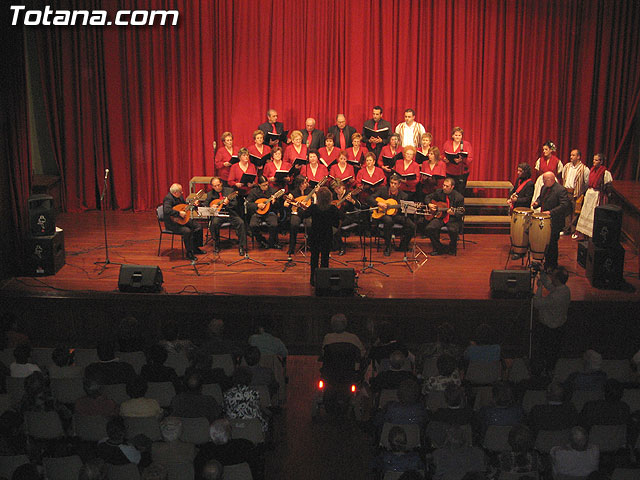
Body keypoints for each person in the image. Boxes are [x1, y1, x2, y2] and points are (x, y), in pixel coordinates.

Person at [532, 267, 570, 372]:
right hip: (559, 327)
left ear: (557, 279)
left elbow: (537, 303)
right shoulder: (565, 289)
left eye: (553, 276)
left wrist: (539, 287)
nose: (551, 277)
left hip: (549, 330)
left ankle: (543, 373)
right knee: (553, 353)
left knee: (545, 352)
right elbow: (550, 285)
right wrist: (542, 274)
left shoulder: (555, 297)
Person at [300, 187, 340, 285]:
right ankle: (324, 280)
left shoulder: (314, 207)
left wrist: (301, 208)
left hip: (315, 235)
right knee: (325, 258)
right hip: (327, 235)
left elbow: (303, 215)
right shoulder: (333, 208)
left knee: (314, 257)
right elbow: (339, 219)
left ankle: (313, 279)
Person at [531, 171, 571, 270]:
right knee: (545, 242)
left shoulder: (560, 190)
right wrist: (537, 203)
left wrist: (550, 212)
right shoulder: (544, 188)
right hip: (546, 221)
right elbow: (541, 199)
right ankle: (546, 262)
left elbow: (564, 205)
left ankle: (552, 265)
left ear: (550, 180)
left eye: (544, 180)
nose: (543, 182)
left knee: (552, 243)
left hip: (555, 221)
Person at [369, 174, 415, 257]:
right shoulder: (383, 190)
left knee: (412, 225)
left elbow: (403, 211)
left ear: (399, 185)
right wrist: (378, 203)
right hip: (383, 214)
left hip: (396, 215)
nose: (393, 185)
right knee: (388, 221)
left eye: (395, 184)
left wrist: (400, 209)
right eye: (391, 183)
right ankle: (388, 246)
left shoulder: (404, 195)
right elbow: (370, 198)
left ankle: (403, 246)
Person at [204, 177, 248, 256]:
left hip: (230, 213)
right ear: (212, 187)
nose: (217, 187)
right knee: (214, 224)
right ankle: (216, 245)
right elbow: (205, 205)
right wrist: (211, 207)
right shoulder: (210, 194)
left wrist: (228, 203)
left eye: (218, 185)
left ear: (221, 183)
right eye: (215, 186)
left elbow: (235, 204)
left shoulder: (230, 191)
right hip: (218, 215)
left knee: (241, 223)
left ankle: (242, 246)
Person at [575, 153, 613, 240]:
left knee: (593, 214)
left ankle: (593, 234)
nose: (594, 162)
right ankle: (586, 235)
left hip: (597, 195)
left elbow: (608, 187)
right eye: (593, 159)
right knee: (586, 213)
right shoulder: (592, 170)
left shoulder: (605, 173)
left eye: (596, 160)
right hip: (589, 195)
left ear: (601, 161)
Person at [162, 183, 204, 261]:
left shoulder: (180, 197)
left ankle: (195, 247)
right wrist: (178, 213)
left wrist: (193, 205)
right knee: (187, 231)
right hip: (172, 223)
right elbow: (166, 210)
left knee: (198, 226)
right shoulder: (168, 199)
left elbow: (185, 207)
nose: (182, 193)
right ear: (175, 193)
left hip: (182, 219)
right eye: (180, 192)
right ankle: (189, 253)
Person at [424, 177, 465, 256]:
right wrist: (429, 204)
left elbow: (461, 213)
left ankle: (452, 248)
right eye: (443, 185)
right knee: (430, 228)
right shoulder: (439, 192)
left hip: (453, 219)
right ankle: (439, 248)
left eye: (447, 186)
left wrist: (454, 213)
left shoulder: (459, 197)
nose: (444, 188)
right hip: (441, 217)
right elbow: (427, 197)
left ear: (452, 187)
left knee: (453, 230)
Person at [223, 366, 269, 432]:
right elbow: (258, 408)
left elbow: (225, 410)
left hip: (234, 428)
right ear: (249, 379)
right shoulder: (253, 393)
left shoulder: (227, 394)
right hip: (253, 428)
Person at [246, 176, 282, 249]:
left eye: (267, 184)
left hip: (269, 212)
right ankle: (261, 240)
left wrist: (274, 202)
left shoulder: (273, 191)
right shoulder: (253, 192)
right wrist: (257, 205)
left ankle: (272, 242)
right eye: (264, 185)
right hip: (257, 213)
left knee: (274, 224)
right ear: (259, 185)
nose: (266, 187)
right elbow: (248, 204)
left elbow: (279, 206)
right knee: (253, 225)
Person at [561, 149, 589, 236]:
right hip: (566, 192)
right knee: (566, 211)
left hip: (576, 193)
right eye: (571, 155)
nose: (571, 157)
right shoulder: (567, 166)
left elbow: (586, 182)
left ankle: (573, 230)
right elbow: (563, 177)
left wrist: (580, 192)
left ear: (578, 157)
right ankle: (566, 229)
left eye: (573, 155)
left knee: (575, 212)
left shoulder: (584, 169)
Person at [284, 175, 313, 256]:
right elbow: (285, 204)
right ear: (300, 184)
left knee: (310, 224)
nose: (306, 184)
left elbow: (315, 201)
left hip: (307, 213)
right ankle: (292, 248)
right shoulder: (293, 192)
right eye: (304, 183)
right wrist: (295, 203)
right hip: (296, 213)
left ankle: (310, 245)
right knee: (293, 224)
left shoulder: (310, 191)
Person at [331, 179, 361, 255]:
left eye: (339, 188)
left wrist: (352, 201)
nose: (337, 191)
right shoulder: (334, 195)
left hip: (349, 216)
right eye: (335, 189)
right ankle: (334, 245)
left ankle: (341, 246)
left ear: (343, 187)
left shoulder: (349, 194)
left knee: (336, 225)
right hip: (337, 217)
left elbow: (359, 206)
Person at [441, 126, 473, 194]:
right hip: (449, 171)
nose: (457, 137)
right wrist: (445, 159)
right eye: (456, 135)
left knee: (460, 192)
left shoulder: (466, 144)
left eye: (459, 135)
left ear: (462, 136)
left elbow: (470, 158)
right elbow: (442, 154)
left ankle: (459, 205)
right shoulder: (447, 143)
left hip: (461, 173)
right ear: (452, 135)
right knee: (449, 192)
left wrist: (461, 160)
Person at [531, 140, 563, 208]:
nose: (544, 151)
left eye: (546, 149)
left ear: (551, 150)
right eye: (543, 149)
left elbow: (559, 171)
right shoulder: (540, 160)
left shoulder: (557, 161)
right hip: (541, 181)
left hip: (552, 181)